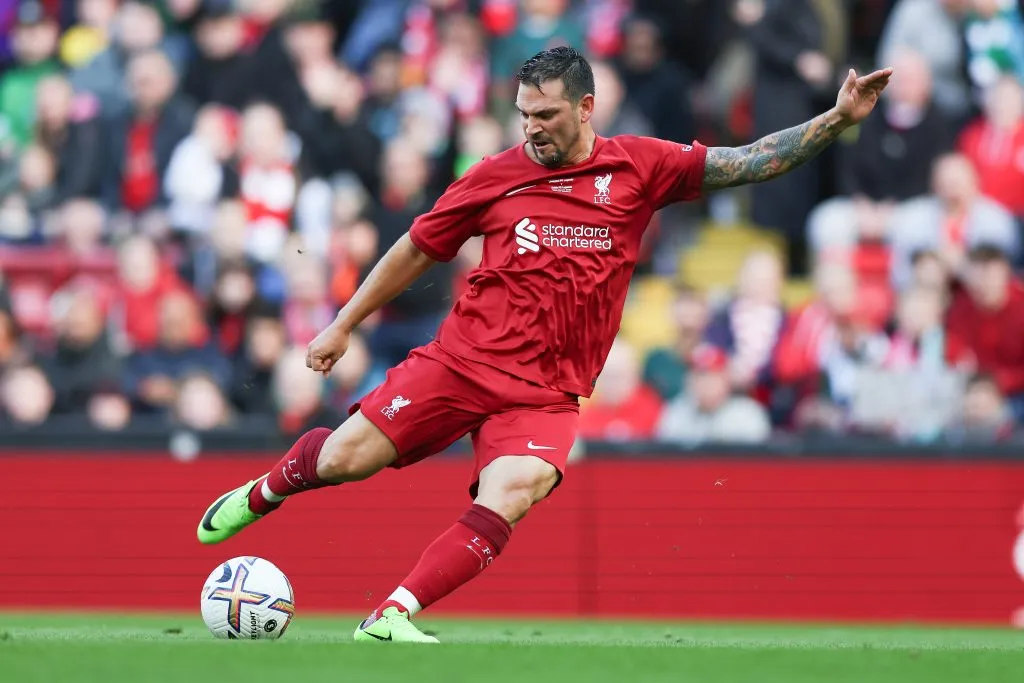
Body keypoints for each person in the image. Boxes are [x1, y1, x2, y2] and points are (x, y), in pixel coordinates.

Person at [196, 46, 891, 643]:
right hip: (461, 361)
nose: (532, 129)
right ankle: (263, 492)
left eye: (547, 116)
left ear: (586, 108)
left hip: (549, 392)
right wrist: (344, 322)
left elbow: (747, 162)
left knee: (516, 488)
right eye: (524, 114)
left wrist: (836, 120)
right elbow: (417, 248)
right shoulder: (496, 173)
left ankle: (392, 612)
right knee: (348, 459)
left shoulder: (641, 168)